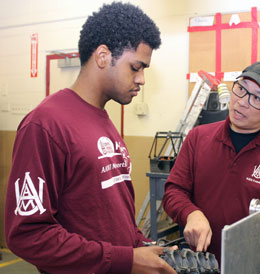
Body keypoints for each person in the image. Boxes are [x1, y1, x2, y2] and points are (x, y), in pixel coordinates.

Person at [5, 2, 176, 274]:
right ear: (103, 56)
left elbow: (108, 216)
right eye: (136, 67)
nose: (142, 79)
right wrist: (124, 260)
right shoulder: (45, 125)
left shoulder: (103, 121)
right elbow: (28, 235)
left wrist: (142, 247)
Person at [162, 61, 260, 263]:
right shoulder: (198, 138)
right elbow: (173, 191)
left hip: (257, 265)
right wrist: (191, 213)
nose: (241, 102)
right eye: (240, 89)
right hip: (201, 262)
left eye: (256, 98)